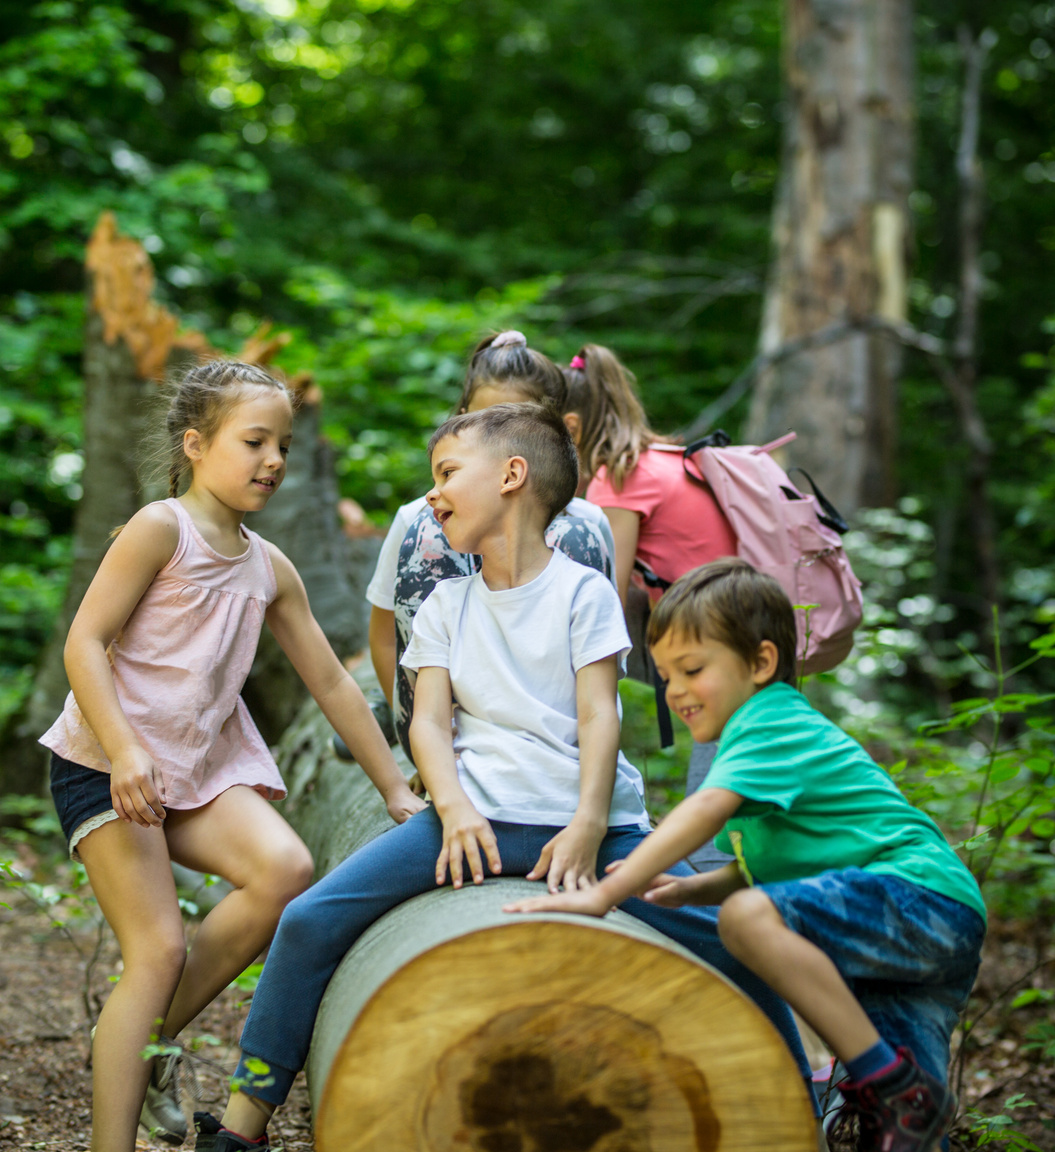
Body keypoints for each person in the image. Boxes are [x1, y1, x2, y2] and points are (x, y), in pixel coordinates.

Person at [192, 404, 814, 1152]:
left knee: (731, 932)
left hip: (596, 829)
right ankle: (241, 1126)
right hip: (471, 823)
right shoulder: (448, 603)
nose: (433, 494)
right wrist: (451, 810)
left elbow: (597, 715)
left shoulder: (582, 592)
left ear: (512, 476)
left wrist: (587, 825)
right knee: (307, 921)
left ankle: (806, 1107)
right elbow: (426, 722)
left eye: (448, 474)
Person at [41, 360, 424, 1152]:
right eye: (254, 441)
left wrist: (395, 789)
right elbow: (85, 641)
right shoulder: (159, 529)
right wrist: (122, 752)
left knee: (283, 870)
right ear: (196, 444)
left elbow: (333, 681)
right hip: (105, 761)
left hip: (193, 772)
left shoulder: (268, 567)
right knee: (158, 949)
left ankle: (142, 1042)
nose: (273, 460)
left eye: (282, 444)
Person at [507, 558, 986, 1152]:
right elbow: (779, 859)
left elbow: (706, 808)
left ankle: (891, 1083)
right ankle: (900, 1092)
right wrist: (696, 889)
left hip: (918, 896)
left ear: (760, 663)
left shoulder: (769, 720)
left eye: (693, 669)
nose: (676, 691)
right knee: (903, 1129)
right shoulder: (761, 742)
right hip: (929, 920)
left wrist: (607, 891)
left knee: (747, 919)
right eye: (665, 676)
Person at [365, 330, 614, 759]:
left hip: (559, 745)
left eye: (515, 421)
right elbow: (388, 635)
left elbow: (603, 651)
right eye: (483, 421)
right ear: (461, 421)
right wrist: (419, 740)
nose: (498, 437)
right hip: (448, 740)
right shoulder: (419, 522)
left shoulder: (587, 526)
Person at [565, 342, 738, 869]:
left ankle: (710, 888)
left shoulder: (616, 477)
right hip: (742, 617)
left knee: (720, 774)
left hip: (724, 636)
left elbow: (605, 595)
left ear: (570, 428)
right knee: (737, 764)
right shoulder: (660, 459)